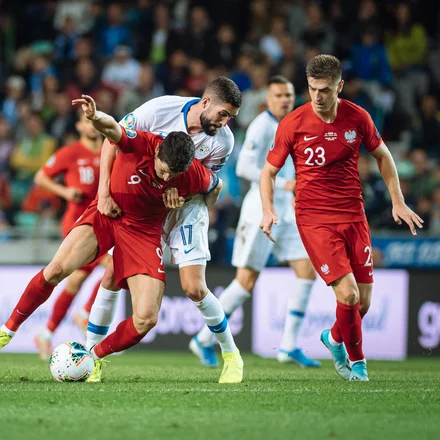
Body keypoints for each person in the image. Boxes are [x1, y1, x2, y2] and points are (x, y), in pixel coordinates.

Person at [0, 95, 237, 383]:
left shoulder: (193, 173)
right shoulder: (144, 141)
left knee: (147, 318)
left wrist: (186, 196)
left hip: (142, 232)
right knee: (57, 269)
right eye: (163, 170)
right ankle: (7, 330)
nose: (165, 178)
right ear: (158, 150)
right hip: (107, 214)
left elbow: (216, 188)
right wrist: (94, 116)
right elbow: (112, 130)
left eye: (173, 175)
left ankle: (93, 357)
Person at [260, 55, 423, 381]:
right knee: (347, 295)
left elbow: (383, 155)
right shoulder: (293, 123)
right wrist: (268, 210)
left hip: (353, 216)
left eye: (324, 90)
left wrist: (398, 201)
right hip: (314, 219)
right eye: (312, 89)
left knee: (361, 305)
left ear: (340, 86)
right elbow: (268, 173)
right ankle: (358, 365)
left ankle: (333, 338)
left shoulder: (357, 117)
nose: (317, 97)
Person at [83, 77, 244, 374]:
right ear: (206, 102)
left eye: (230, 118)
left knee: (194, 288)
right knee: (111, 276)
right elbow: (113, 139)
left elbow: (210, 186)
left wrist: (181, 192)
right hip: (144, 200)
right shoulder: (159, 110)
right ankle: (91, 359)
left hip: (186, 206)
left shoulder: (224, 142)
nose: (225, 123)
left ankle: (232, 356)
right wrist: (103, 191)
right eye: (223, 114)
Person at [192, 76, 320, 368]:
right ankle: (202, 339)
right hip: (260, 210)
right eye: (278, 95)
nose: (285, 100)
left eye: (289, 94)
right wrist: (286, 182)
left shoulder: (295, 124)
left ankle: (288, 346)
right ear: (268, 99)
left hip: (287, 211)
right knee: (246, 282)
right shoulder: (261, 126)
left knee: (306, 271)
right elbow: (246, 166)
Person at [32, 109, 113, 360]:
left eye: (94, 122)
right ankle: (86, 313)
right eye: (87, 122)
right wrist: (65, 193)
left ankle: (45, 334)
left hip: (105, 222)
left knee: (75, 283)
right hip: (78, 224)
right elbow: (40, 177)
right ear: (79, 126)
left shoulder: (110, 149)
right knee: (114, 265)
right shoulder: (70, 153)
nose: (92, 127)